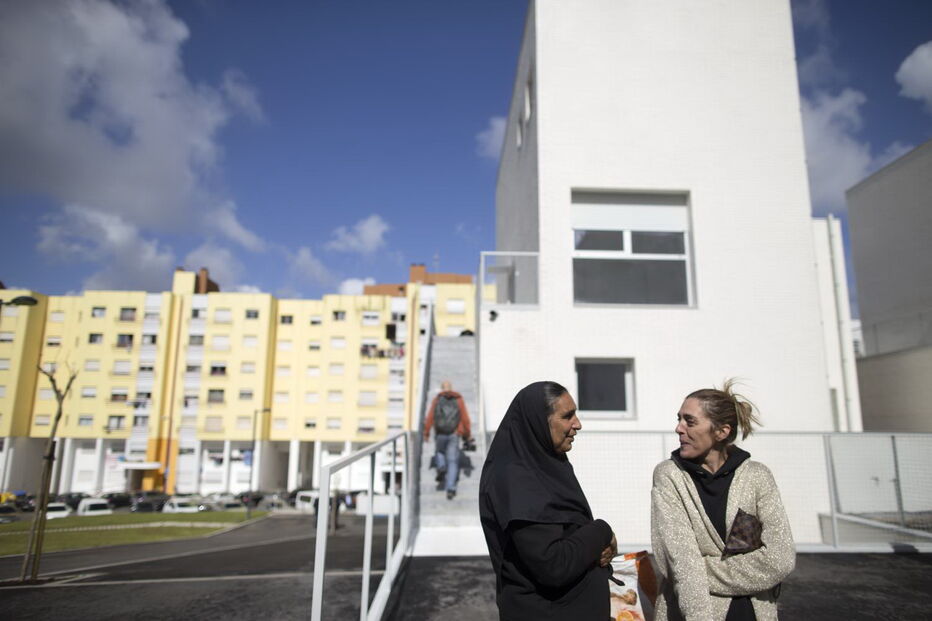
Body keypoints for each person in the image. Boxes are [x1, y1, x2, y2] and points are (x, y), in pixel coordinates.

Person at [651, 380, 796, 621]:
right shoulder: (670, 476)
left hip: (753, 612)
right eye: (679, 419)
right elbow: (680, 560)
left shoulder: (757, 476)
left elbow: (780, 560)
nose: (679, 428)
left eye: (690, 421)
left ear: (722, 431)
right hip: (691, 613)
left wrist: (699, 569)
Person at [479, 381, 617, 620]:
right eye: (567, 416)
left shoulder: (546, 464)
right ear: (538, 422)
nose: (578, 424)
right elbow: (554, 565)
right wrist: (602, 531)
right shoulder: (517, 479)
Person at [423, 380, 472, 500]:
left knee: (439, 452)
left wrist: (427, 432)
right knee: (453, 462)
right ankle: (451, 489)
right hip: (454, 433)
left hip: (440, 433)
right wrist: (467, 434)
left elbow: (430, 416)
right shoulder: (458, 399)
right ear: (451, 388)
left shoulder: (437, 399)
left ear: (442, 388)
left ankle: (441, 467)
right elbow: (465, 418)